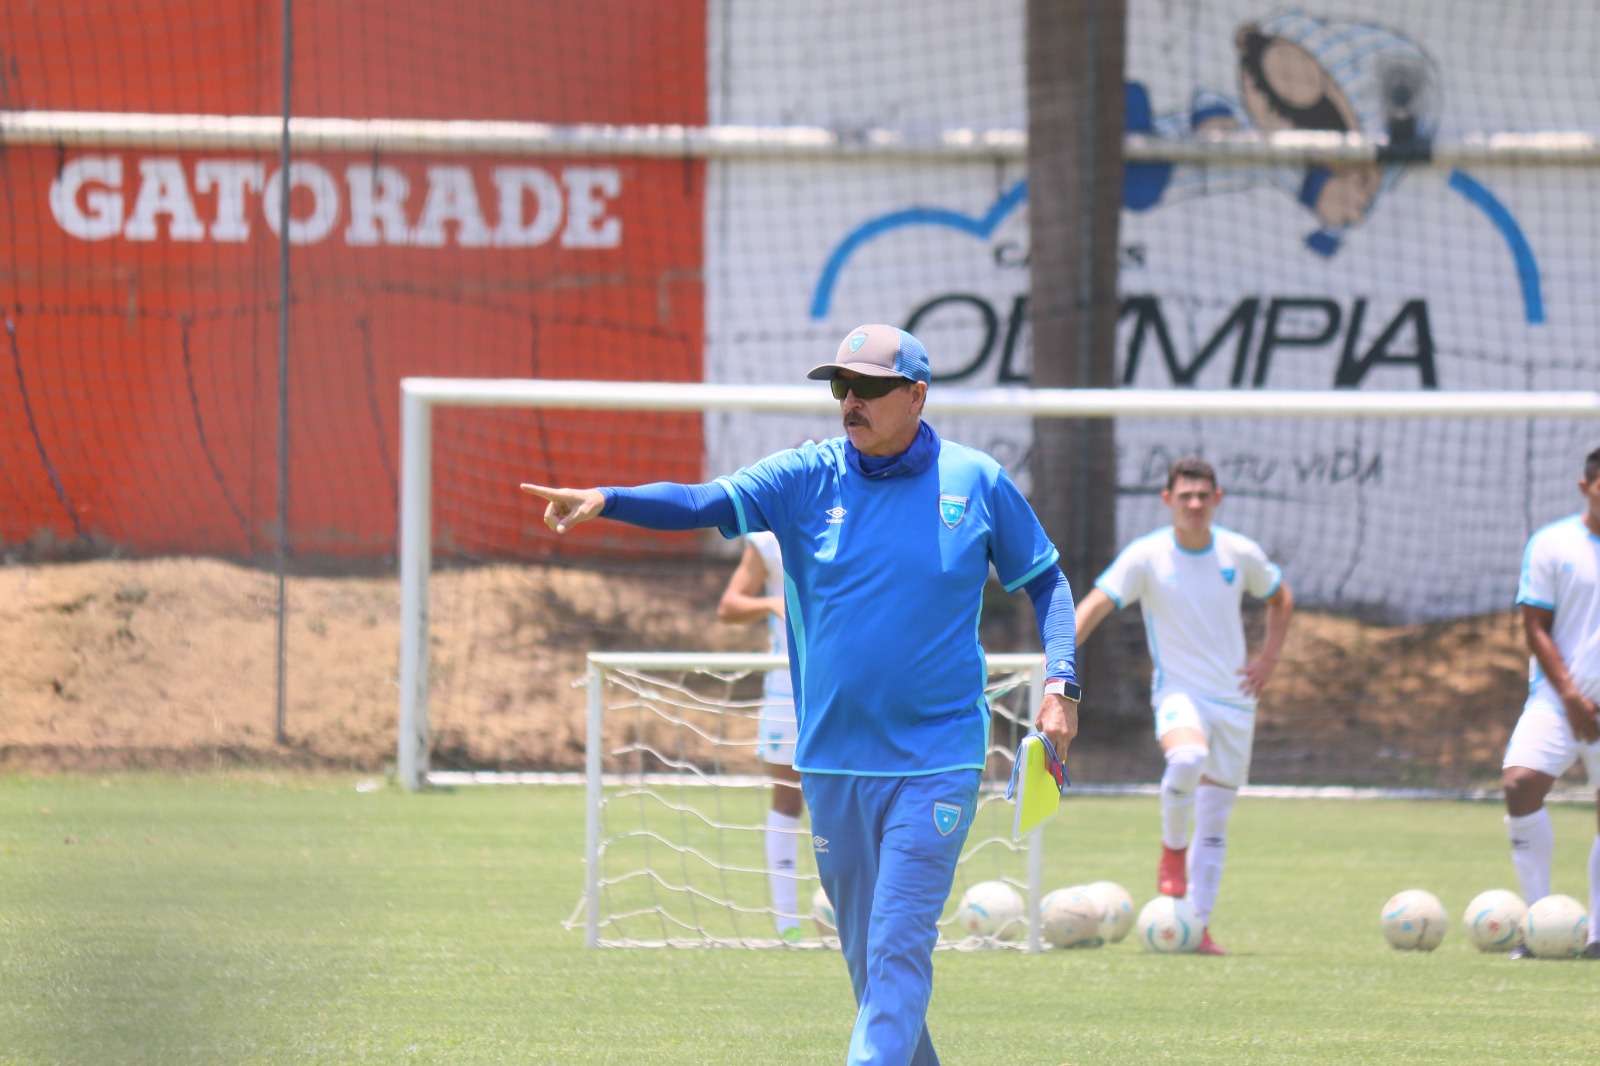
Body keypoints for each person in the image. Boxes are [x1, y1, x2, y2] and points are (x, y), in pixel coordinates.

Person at [522, 323, 1080, 1065]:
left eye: (870, 388)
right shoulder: (803, 477)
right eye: (841, 386)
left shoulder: (975, 481)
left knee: (896, 949)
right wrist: (607, 498)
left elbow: (1046, 581)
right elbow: (699, 501)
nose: (851, 401)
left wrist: (1061, 683)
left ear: (916, 395)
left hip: (937, 759)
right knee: (872, 973)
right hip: (832, 762)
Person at [1073, 456, 1293, 956]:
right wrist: (1058, 657)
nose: (1194, 504)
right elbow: (1097, 602)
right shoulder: (1147, 556)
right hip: (1180, 694)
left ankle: (1197, 927)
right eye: (1185, 496)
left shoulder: (1240, 552)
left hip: (1236, 701)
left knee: (1214, 823)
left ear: (1217, 500)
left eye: (1203, 496)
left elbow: (1281, 598)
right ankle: (1172, 851)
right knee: (1187, 759)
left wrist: (1269, 658)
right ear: (1167, 501)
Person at [1501, 445, 1600, 960]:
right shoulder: (1553, 544)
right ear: (1586, 487)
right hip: (1560, 698)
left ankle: (1599, 934)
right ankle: (1538, 925)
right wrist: (1571, 696)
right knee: (1520, 783)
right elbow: (1535, 627)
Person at [717, 529, 806, 943]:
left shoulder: (858, 512)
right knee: (787, 793)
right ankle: (786, 921)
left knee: (847, 794)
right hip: (786, 684)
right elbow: (730, 605)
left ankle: (849, 912)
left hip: (849, 680)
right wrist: (772, 603)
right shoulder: (769, 540)